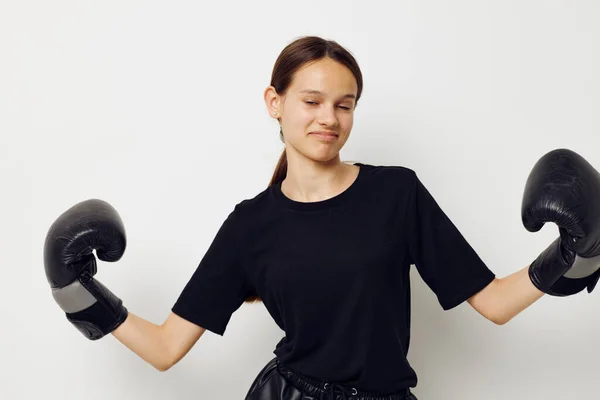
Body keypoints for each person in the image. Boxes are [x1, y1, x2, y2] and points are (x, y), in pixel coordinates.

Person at [43, 36, 600, 400]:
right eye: (311, 101)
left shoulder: (396, 192)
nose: (328, 118)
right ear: (274, 102)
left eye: (345, 103)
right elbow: (166, 348)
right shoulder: (250, 226)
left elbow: (494, 304)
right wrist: (77, 292)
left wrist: (575, 256)